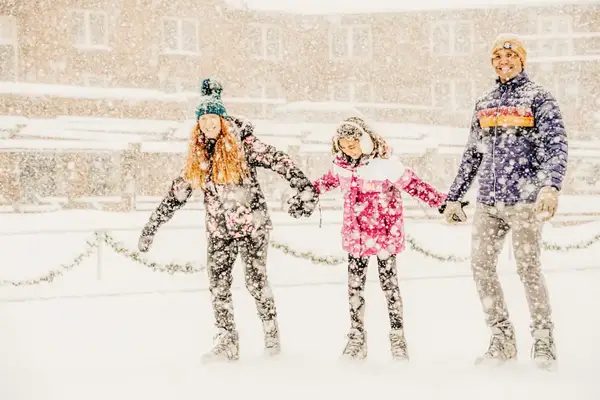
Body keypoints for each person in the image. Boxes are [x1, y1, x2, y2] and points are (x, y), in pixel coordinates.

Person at [137, 78, 318, 362]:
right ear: (198, 124)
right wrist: (153, 225)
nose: (209, 125)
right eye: (204, 120)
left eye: (214, 119)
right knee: (218, 284)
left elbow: (279, 160)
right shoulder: (199, 157)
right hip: (219, 231)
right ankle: (227, 341)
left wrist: (304, 187)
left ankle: (271, 333)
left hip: (252, 226)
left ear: (222, 119)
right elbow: (177, 193)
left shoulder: (243, 145)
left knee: (256, 282)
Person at [439, 34, 568, 369]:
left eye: (510, 57)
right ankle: (502, 339)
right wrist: (454, 197)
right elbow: (472, 154)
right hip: (488, 203)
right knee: (480, 266)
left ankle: (543, 339)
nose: (503, 62)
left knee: (528, 268)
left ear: (522, 61)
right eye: (497, 57)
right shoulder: (484, 102)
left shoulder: (538, 98)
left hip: (526, 201)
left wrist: (550, 186)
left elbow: (556, 145)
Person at [311, 116, 447, 361]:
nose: (347, 150)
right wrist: (305, 194)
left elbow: (416, 186)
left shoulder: (386, 165)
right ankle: (356, 337)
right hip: (356, 238)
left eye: (352, 145)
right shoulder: (341, 166)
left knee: (390, 288)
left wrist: (443, 203)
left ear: (364, 141)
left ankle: (397, 337)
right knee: (354, 288)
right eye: (342, 145)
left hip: (384, 236)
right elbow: (323, 183)